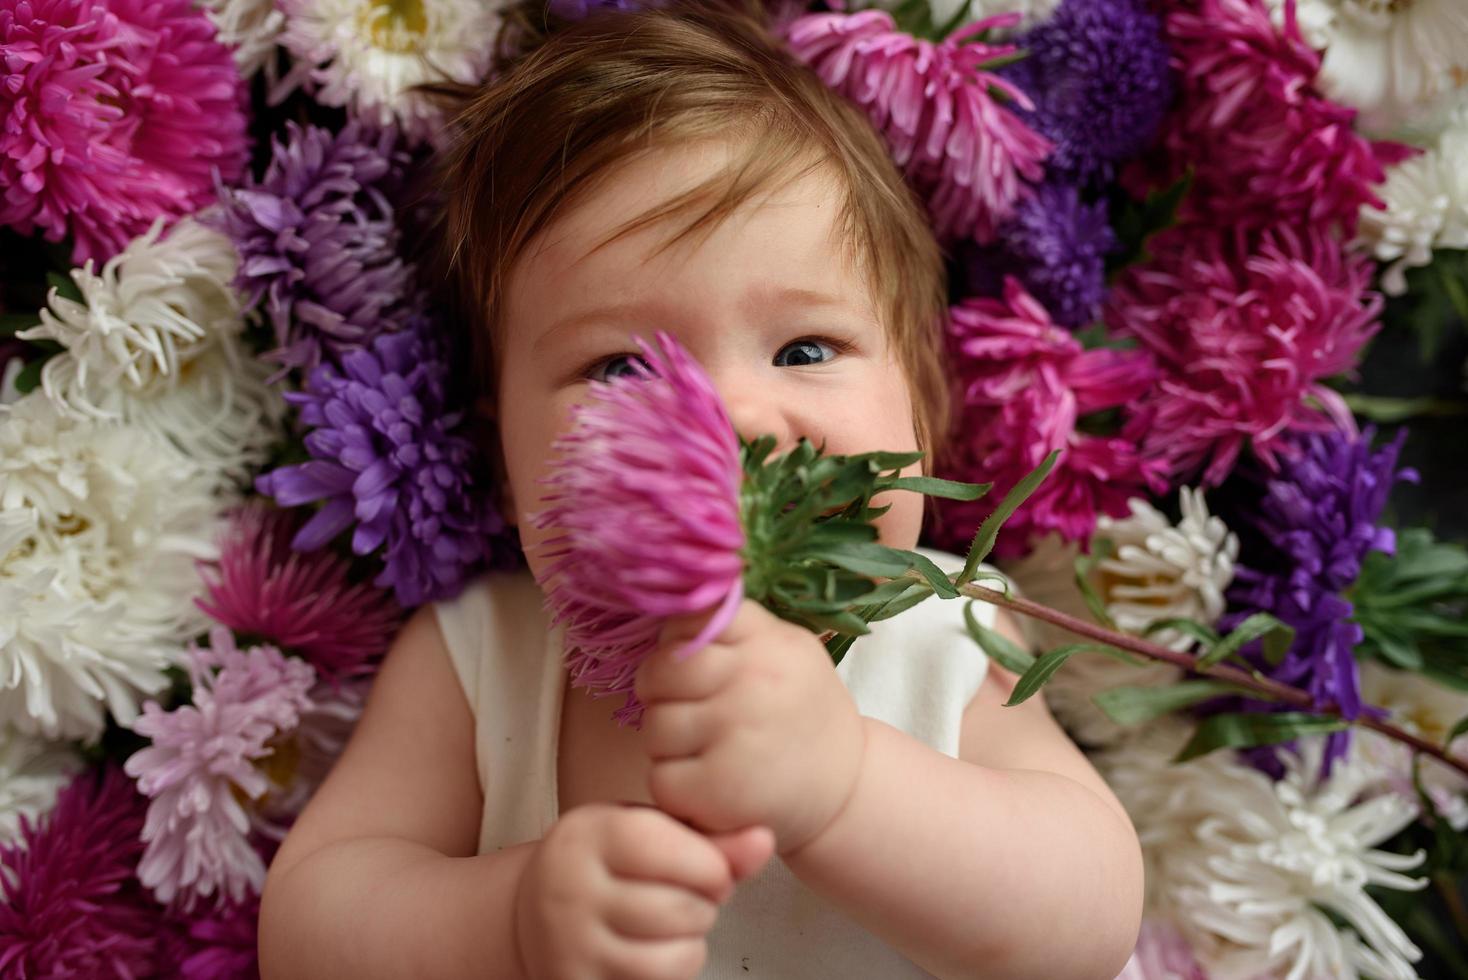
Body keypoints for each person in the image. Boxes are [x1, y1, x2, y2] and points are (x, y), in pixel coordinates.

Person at [256, 3, 1144, 978]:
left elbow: (1090, 914)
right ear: (502, 461)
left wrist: (846, 787)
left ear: (923, 409)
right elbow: (310, 929)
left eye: (805, 348)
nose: (725, 424)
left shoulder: (943, 629)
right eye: (619, 368)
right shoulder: (481, 657)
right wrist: (508, 916)